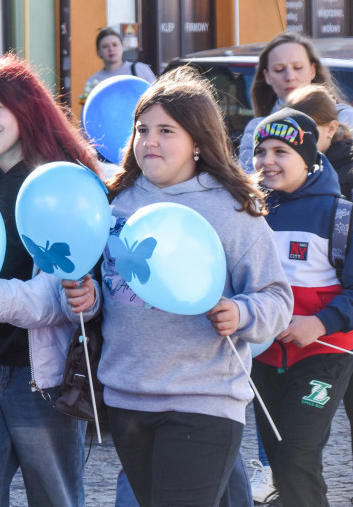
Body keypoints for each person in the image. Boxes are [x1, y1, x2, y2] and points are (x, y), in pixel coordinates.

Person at [100, 66, 293, 507]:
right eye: (141, 129)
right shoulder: (114, 202)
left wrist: (241, 313)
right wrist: (85, 297)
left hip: (204, 398)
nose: (149, 141)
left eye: (166, 130)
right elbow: (101, 283)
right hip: (127, 395)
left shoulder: (231, 209)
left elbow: (277, 297)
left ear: (199, 142)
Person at [0, 54, 101, 507]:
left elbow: (66, 291)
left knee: (55, 497)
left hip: (42, 377)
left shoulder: (63, 181)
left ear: (24, 108)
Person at [250, 108, 353, 507]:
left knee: (296, 457)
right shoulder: (250, 211)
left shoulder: (340, 215)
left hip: (325, 354)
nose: (267, 161)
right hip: (265, 356)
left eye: (281, 151)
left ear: (308, 158)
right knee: (279, 461)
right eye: (260, 151)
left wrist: (320, 324)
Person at [238, 32, 353, 173]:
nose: (290, 77)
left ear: (312, 71)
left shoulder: (345, 117)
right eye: (279, 70)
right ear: (267, 77)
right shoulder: (256, 128)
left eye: (298, 67)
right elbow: (251, 185)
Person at [287, 84, 353, 200]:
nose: (297, 139)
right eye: (291, 132)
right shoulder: (288, 163)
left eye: (306, 131)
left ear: (331, 128)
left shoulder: (349, 169)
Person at [79, 28, 157, 106]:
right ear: (98, 52)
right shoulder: (94, 81)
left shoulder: (139, 69)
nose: (111, 49)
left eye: (115, 45)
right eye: (105, 46)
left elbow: (157, 97)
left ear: (122, 47)